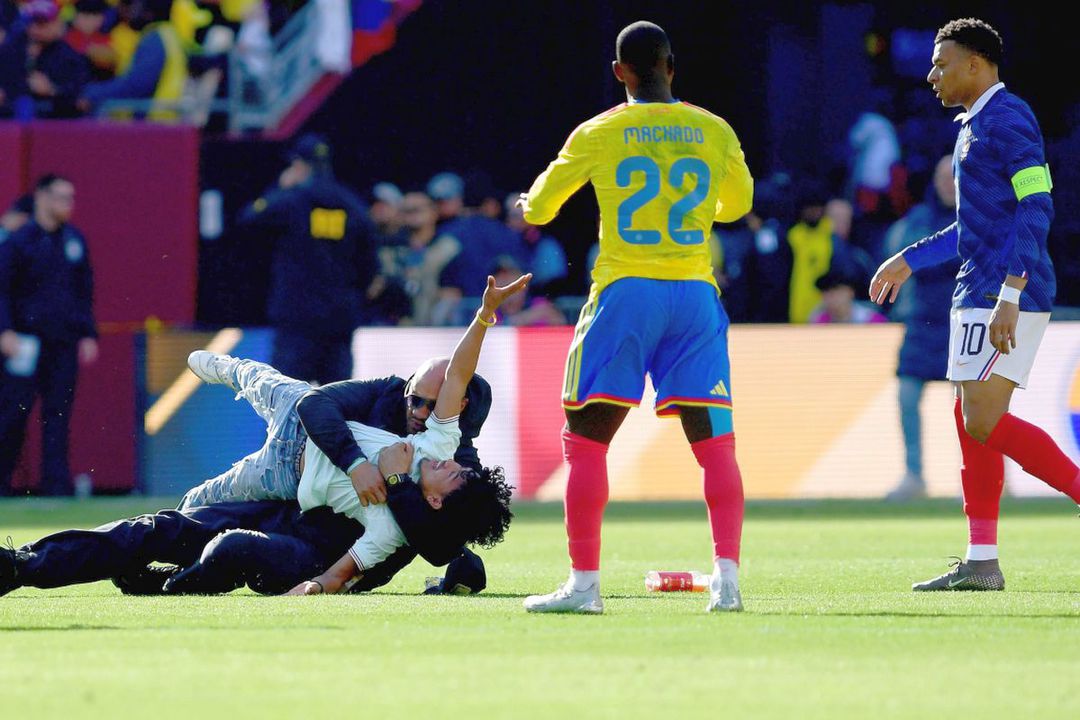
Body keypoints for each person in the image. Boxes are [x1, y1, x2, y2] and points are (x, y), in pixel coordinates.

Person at [518, 21, 753, 613]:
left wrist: (528, 203)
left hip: (626, 292)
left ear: (619, 72)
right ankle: (727, 582)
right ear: (672, 67)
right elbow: (738, 204)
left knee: (586, 442)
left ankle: (585, 588)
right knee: (716, 445)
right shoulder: (714, 129)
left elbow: (540, 209)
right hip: (694, 295)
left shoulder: (600, 131)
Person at [870, 18, 1079, 591]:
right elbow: (973, 227)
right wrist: (910, 258)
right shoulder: (972, 127)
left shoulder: (1009, 118)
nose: (931, 75)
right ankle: (981, 561)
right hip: (974, 288)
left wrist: (1011, 291)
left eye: (941, 64)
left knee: (983, 420)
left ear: (975, 64)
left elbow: (1037, 205)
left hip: (1002, 291)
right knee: (970, 423)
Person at [181, 272, 528, 594]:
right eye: (414, 400)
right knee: (261, 379)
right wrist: (356, 464)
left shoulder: (453, 458)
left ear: (456, 407)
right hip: (302, 436)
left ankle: (191, 541)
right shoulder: (395, 396)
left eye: (431, 405)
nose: (419, 411)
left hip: (297, 489)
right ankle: (229, 368)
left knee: (213, 498)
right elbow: (313, 405)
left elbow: (441, 542)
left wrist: (396, 483)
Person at [235, 134, 379, 384]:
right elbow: (369, 266)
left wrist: (279, 189)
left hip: (297, 318)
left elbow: (249, 219)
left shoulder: (291, 200)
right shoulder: (353, 205)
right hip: (338, 320)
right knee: (335, 397)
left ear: (299, 165)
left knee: (286, 394)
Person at [0, 174, 98, 497]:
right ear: (42, 197)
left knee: (58, 414)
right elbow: (3, 289)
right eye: (61, 197)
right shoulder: (19, 242)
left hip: (63, 342)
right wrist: (5, 330)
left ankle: (55, 487)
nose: (67, 205)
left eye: (71, 198)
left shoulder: (74, 240)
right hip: (25, 342)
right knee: (13, 413)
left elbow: (84, 291)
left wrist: (87, 333)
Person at [884, 155, 962, 501]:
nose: (948, 184)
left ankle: (980, 475)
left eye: (954, 176)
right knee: (906, 395)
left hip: (963, 321)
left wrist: (928, 257)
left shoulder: (977, 215)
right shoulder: (918, 219)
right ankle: (913, 475)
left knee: (972, 405)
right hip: (923, 322)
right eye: (942, 176)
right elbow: (906, 258)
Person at [79, 0, 186, 119]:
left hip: (154, 123)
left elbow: (136, 85)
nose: (130, 12)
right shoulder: (167, 33)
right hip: (162, 121)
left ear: (148, 11)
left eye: (134, 5)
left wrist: (92, 93)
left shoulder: (155, 39)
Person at [808, 267, 886, 324]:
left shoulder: (872, 320)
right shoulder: (819, 321)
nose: (830, 298)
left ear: (850, 292)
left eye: (836, 291)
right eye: (826, 293)